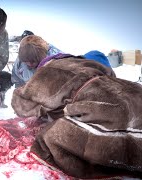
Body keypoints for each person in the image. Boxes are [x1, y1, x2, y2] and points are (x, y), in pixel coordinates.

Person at [11, 48, 142, 178]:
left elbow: (23, 103)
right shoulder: (93, 67)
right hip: (136, 95)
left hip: (108, 111)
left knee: (51, 137)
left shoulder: (51, 70)